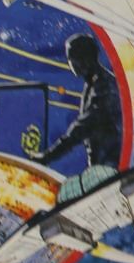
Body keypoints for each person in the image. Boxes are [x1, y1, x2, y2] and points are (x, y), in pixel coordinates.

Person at [34, 33, 125, 202]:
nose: (70, 63)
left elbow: (82, 127)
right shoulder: (92, 84)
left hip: (111, 166)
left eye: (72, 58)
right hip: (101, 166)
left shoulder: (104, 86)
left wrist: (48, 156)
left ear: (85, 58)